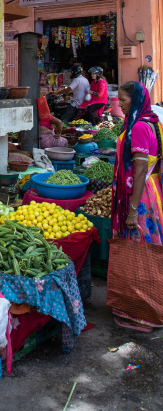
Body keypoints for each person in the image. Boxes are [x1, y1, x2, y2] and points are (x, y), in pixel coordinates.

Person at [110, 81, 163, 330]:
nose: (119, 103)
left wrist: (132, 210)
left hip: (141, 198)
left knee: (139, 251)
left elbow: (140, 170)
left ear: (137, 100)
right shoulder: (153, 121)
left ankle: (144, 315)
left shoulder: (140, 127)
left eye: (123, 99)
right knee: (147, 250)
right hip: (151, 192)